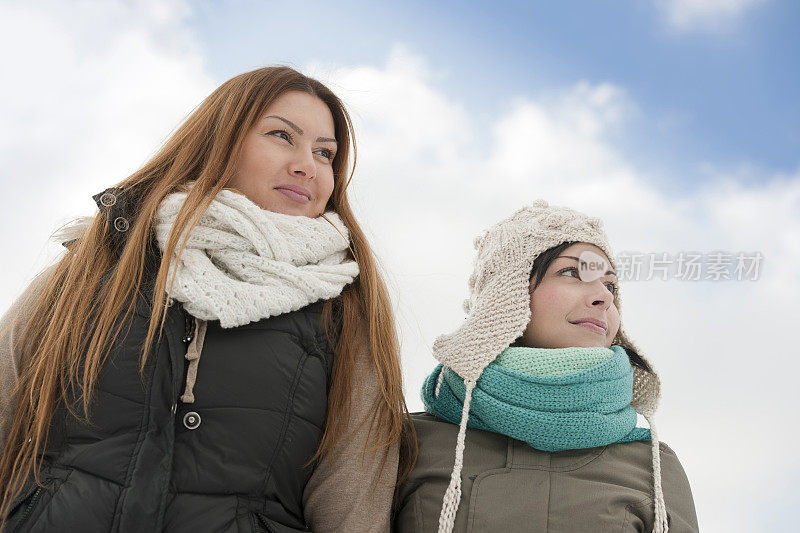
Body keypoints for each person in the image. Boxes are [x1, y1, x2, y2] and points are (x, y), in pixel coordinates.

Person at [0, 66, 413, 532]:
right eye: (282, 136)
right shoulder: (96, 267)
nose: (307, 165)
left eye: (325, 153)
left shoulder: (345, 308)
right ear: (219, 140)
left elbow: (353, 497)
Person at [395, 200, 698, 533]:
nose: (604, 296)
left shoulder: (653, 468)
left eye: (610, 285)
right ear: (506, 292)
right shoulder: (408, 443)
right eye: (572, 272)